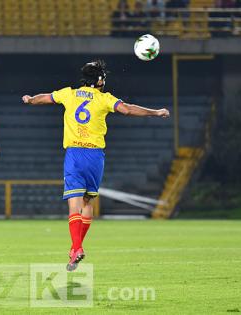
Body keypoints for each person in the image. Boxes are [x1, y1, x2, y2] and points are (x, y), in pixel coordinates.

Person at [21, 60, 169, 271]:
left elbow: (45, 98)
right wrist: (155, 112)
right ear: (100, 81)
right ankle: (76, 249)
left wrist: (30, 99)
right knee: (88, 202)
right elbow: (126, 109)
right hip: (95, 156)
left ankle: (77, 247)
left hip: (74, 154)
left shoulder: (69, 94)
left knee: (74, 202)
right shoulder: (105, 99)